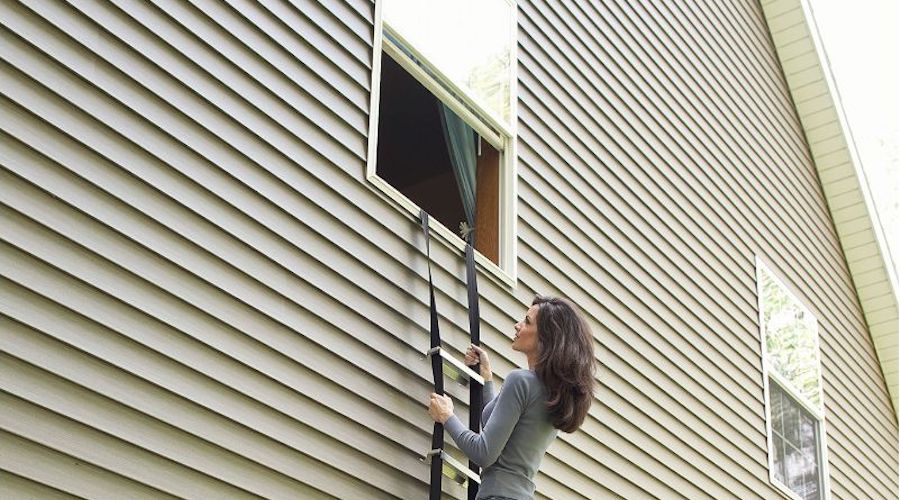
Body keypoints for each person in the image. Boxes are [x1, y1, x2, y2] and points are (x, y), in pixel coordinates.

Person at [428, 295, 597, 500]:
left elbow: (484, 453)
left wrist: (446, 416)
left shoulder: (521, 381)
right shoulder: (554, 394)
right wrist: (486, 378)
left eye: (527, 321)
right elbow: (496, 429)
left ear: (546, 337)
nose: (517, 325)